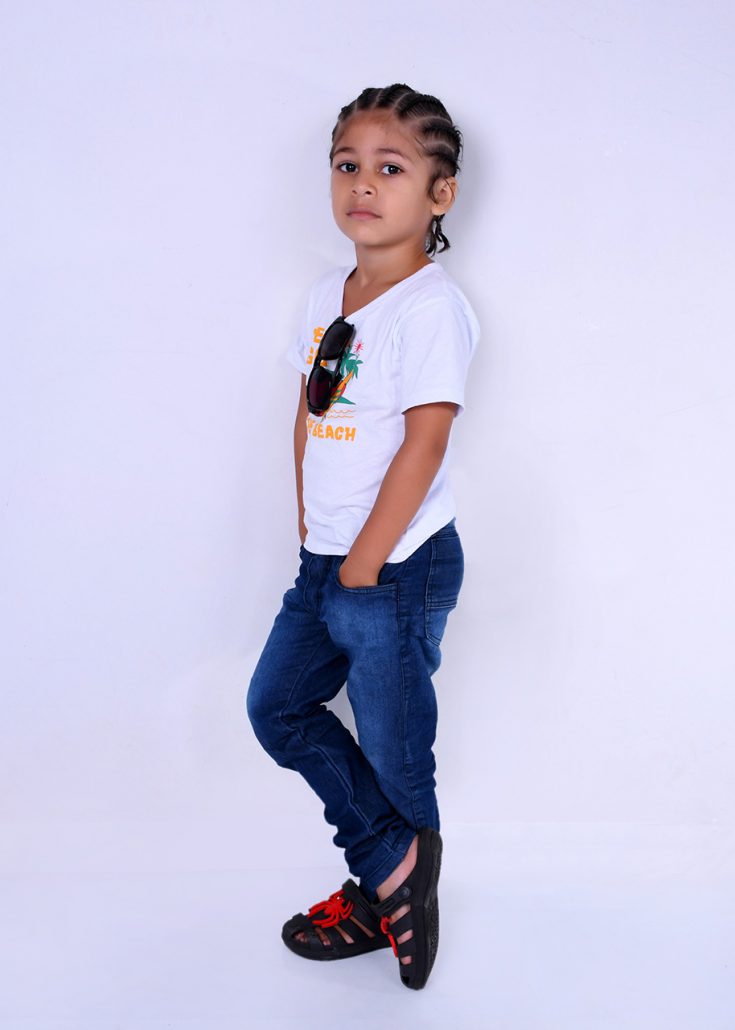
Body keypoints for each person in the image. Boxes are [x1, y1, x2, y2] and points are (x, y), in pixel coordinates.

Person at [246, 83, 480, 991]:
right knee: (278, 707)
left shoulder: (429, 308)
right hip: (329, 559)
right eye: (347, 165)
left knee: (393, 749)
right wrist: (313, 528)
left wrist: (363, 562)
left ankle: (387, 889)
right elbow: (309, 411)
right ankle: (391, 864)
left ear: (439, 193)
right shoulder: (325, 294)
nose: (363, 184)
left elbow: (425, 444)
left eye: (390, 168)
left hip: (396, 567)